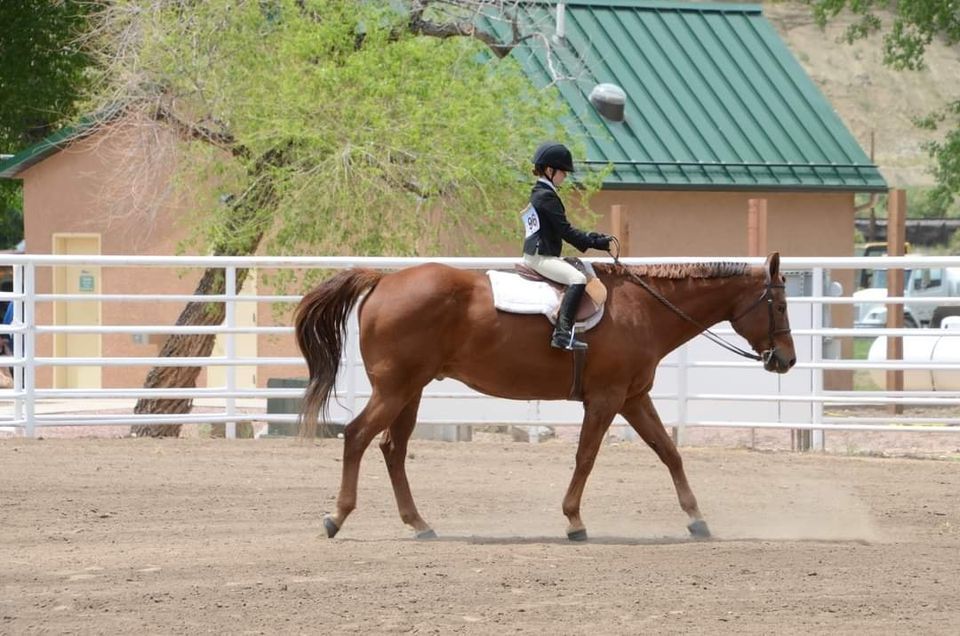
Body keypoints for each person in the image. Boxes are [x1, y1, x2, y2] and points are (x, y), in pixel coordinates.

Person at [521, 141, 611, 350]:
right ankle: (562, 334)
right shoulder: (546, 197)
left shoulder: (540, 193)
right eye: (563, 172)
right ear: (550, 170)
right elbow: (566, 231)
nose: (565, 176)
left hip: (538, 253)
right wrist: (594, 242)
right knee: (577, 278)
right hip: (541, 257)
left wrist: (590, 236)